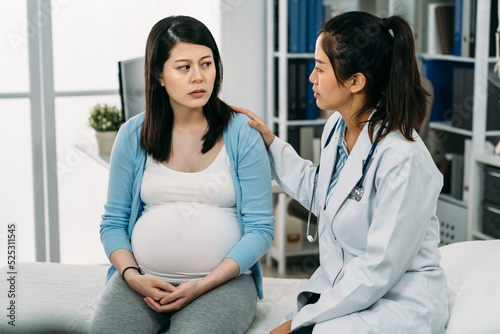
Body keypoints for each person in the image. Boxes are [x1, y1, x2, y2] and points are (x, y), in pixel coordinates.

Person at [235, 11, 449, 334]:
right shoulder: (338, 126)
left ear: (355, 81)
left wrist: (299, 321)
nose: (311, 78)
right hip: (352, 288)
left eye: (320, 69)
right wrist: (270, 143)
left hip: (398, 302)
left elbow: (379, 269)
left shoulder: (404, 160)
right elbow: (323, 191)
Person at [90, 15, 275, 334]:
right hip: (142, 282)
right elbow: (114, 223)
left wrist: (204, 284)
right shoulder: (133, 134)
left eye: (206, 64)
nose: (199, 77)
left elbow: (261, 229)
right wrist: (133, 276)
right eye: (184, 67)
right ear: (159, 74)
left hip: (222, 284)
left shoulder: (242, 133)